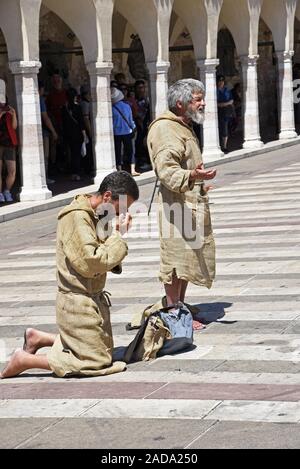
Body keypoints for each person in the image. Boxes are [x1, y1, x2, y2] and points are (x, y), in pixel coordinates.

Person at [0, 171, 139, 379]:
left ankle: (38, 338)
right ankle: (25, 360)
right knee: (95, 362)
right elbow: (91, 263)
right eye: (123, 207)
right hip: (76, 303)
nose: (123, 213)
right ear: (108, 197)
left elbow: (104, 254)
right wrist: (119, 236)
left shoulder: (100, 214)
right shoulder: (76, 217)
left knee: (102, 353)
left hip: (91, 301)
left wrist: (113, 236)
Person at [147, 78, 216, 330]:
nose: (203, 103)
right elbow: (167, 171)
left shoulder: (183, 125)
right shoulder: (166, 129)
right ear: (180, 103)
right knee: (175, 261)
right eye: (197, 99)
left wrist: (198, 183)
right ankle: (174, 313)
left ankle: (181, 308)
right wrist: (192, 177)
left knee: (187, 259)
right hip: (174, 206)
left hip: (189, 201)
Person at [111, 87, 140, 177]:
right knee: (130, 151)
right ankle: (132, 169)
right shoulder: (127, 106)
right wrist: (134, 127)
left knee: (118, 151)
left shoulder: (111, 108)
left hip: (116, 133)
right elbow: (130, 120)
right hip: (127, 131)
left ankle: (119, 169)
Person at [62, 88, 86, 181]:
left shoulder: (64, 108)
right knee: (77, 154)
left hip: (68, 134)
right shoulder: (78, 107)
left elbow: (63, 122)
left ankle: (73, 173)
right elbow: (81, 122)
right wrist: (84, 134)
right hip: (77, 133)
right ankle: (77, 173)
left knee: (71, 153)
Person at [0, 84, 18, 203]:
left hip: (9, 142)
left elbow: (14, 127)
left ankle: (7, 190)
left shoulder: (10, 110)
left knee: (12, 170)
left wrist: (13, 115)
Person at [38, 80, 58, 185]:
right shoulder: (40, 100)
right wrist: (53, 131)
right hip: (42, 131)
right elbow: (45, 117)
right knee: (45, 156)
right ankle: (44, 179)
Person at [217, 75, 235, 153]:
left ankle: (224, 146)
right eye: (220, 81)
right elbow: (217, 104)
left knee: (226, 129)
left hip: (227, 112)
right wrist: (226, 103)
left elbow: (231, 101)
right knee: (221, 129)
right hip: (218, 112)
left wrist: (225, 104)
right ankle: (221, 146)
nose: (221, 83)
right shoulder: (215, 91)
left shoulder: (226, 90)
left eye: (222, 81)